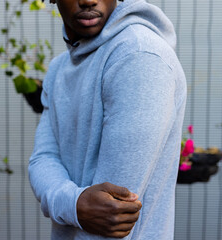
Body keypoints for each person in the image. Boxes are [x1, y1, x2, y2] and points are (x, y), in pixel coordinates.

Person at [28, 0, 187, 239]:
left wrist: (68, 203)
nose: (89, 0)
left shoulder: (138, 56)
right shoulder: (58, 68)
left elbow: (110, 215)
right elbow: (43, 158)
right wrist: (73, 204)